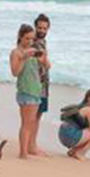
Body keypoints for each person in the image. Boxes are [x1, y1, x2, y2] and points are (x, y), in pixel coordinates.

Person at [10, 23, 44, 159]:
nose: (30, 41)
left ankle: (26, 151)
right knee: (26, 123)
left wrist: (42, 59)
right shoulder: (16, 52)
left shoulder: (32, 50)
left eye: (32, 39)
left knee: (30, 123)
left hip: (35, 91)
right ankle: (23, 153)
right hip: (25, 91)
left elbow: (41, 69)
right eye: (27, 38)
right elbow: (15, 72)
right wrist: (24, 58)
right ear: (20, 37)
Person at [30, 13, 51, 156]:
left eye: (44, 28)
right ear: (35, 27)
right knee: (34, 116)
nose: (42, 30)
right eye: (40, 28)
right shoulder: (34, 42)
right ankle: (31, 146)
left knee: (37, 116)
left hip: (43, 84)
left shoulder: (42, 42)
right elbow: (43, 63)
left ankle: (32, 144)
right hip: (36, 84)